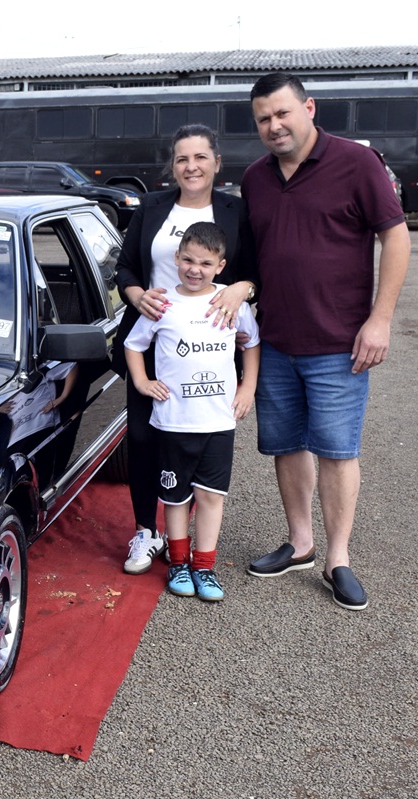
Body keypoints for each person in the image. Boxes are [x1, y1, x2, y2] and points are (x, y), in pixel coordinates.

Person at [240, 72, 411, 611]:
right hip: (275, 342)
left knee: (337, 451)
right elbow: (252, 257)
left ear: (309, 108)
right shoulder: (255, 178)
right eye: (263, 119)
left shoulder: (357, 164)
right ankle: (300, 544)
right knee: (286, 445)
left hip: (340, 343)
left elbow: (396, 237)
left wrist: (380, 319)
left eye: (282, 113)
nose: (274, 126)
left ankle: (338, 559)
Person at [112, 124, 259, 575]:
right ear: (172, 166)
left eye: (200, 157)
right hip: (152, 339)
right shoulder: (152, 206)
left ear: (217, 162)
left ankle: (187, 531)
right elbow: (125, 267)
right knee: (143, 437)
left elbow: (256, 270)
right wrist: (137, 297)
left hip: (209, 341)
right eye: (181, 159)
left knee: (197, 439)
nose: (191, 166)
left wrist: (244, 288)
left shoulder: (236, 210)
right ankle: (146, 530)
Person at [122, 221, 260, 602]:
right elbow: (133, 345)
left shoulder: (231, 303)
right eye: (188, 260)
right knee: (176, 497)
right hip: (173, 421)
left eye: (205, 263)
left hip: (217, 421)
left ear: (221, 266)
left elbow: (251, 343)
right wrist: (142, 381)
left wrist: (248, 387)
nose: (195, 269)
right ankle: (179, 563)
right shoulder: (162, 304)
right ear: (176, 258)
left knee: (211, 496)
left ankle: (204, 566)